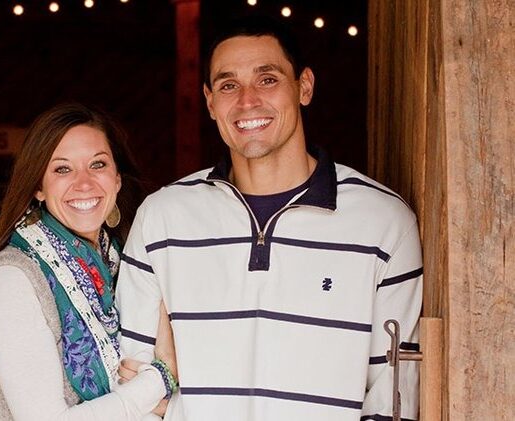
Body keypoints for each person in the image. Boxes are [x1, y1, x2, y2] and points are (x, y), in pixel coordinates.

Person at [116, 17, 423, 421]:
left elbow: (393, 398)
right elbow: (135, 386)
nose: (247, 101)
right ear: (210, 102)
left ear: (304, 86)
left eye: (267, 79)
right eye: (228, 85)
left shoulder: (383, 223)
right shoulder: (162, 219)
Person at [0, 102, 176, 420]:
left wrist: (167, 402)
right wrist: (161, 378)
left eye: (98, 164)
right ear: (38, 187)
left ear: (117, 179)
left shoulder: (129, 264)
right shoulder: (11, 279)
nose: (84, 183)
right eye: (62, 169)